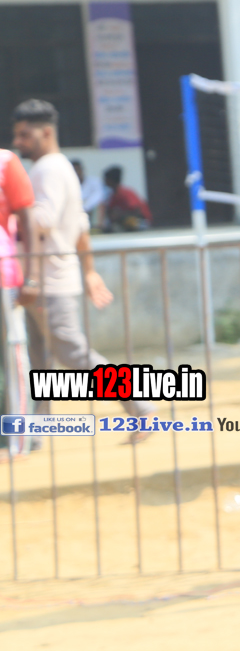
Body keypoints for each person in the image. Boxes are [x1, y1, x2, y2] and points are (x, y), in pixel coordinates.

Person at [10, 100, 155, 444]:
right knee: (39, 361)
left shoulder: (48, 170)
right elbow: (80, 225)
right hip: (46, 279)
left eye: (24, 135)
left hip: (48, 282)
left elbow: (42, 220)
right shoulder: (59, 168)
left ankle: (139, 406)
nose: (18, 142)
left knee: (71, 353)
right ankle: (35, 433)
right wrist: (89, 271)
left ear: (46, 133)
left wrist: (9, 214)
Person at [0, 147, 35, 461]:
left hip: (4, 274)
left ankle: (18, 442)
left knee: (14, 355)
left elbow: (27, 217)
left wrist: (32, 277)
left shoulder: (6, 162)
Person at [100, 165, 151, 232]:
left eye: (106, 179)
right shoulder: (113, 195)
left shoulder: (125, 193)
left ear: (111, 180)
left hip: (141, 222)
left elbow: (137, 211)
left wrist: (120, 214)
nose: (104, 181)